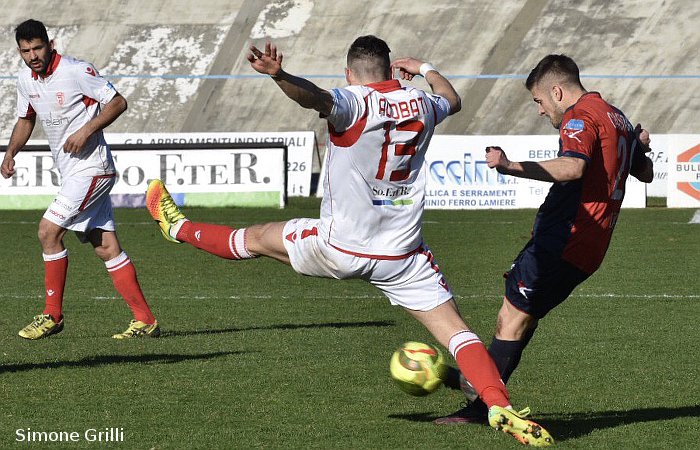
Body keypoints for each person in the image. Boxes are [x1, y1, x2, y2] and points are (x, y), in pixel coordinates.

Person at [145, 36, 553, 446]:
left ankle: (177, 227)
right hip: (403, 256)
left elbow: (315, 98)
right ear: (392, 69)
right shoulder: (423, 102)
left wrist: (279, 75)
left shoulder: (355, 101)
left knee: (253, 239)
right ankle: (499, 404)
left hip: (339, 247)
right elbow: (452, 97)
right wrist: (426, 67)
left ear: (349, 73)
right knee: (459, 334)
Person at [436, 54, 654, 424]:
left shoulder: (580, 116)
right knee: (521, 319)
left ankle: (481, 401)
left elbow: (573, 167)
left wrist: (509, 166)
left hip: (565, 238)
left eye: (539, 101)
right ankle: (479, 390)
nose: (540, 110)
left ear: (556, 90)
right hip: (589, 244)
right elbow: (645, 173)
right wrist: (640, 146)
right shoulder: (616, 116)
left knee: (512, 318)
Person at [1, 19, 160, 340]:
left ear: (50, 44)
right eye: (25, 51)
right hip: (73, 172)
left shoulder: (76, 70)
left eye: (37, 48)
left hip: (93, 168)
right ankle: (145, 320)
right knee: (106, 248)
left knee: (48, 232)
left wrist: (87, 129)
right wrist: (10, 152)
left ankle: (52, 315)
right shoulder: (25, 79)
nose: (32, 56)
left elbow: (118, 102)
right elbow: (25, 118)